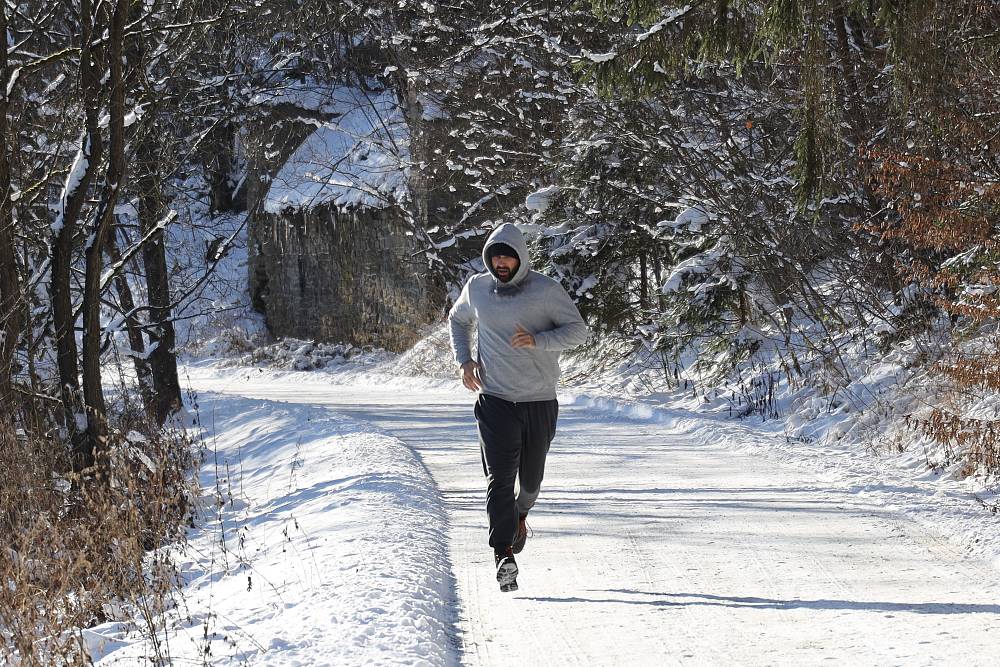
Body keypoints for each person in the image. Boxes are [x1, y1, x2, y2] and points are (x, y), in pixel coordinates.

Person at [448, 222, 589, 592]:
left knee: (529, 483)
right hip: (494, 400)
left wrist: (539, 340)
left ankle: (521, 515)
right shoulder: (477, 288)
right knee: (499, 479)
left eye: (508, 256)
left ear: (521, 258)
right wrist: (464, 361)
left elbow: (578, 331)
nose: (501, 263)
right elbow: (457, 320)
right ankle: (503, 554)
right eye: (495, 256)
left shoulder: (545, 290)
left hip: (539, 400)